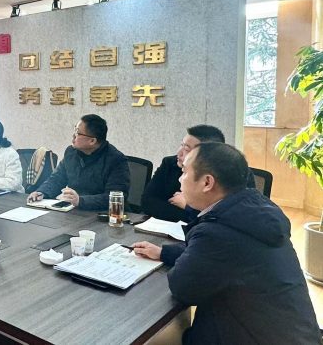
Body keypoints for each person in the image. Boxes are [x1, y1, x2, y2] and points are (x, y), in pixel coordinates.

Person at [133, 143, 320, 344]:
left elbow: (182, 287)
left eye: (185, 172)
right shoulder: (253, 211)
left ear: (207, 182)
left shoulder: (217, 232)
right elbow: (221, 258)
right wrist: (164, 253)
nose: (180, 179)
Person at [141, 125, 256, 222]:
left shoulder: (236, 173)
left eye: (187, 149)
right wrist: (190, 214)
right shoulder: (170, 163)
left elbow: (228, 218)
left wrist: (187, 206)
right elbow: (148, 202)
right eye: (181, 145)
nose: (179, 153)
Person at [27, 114, 129, 210]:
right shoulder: (71, 152)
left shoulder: (116, 160)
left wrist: (80, 201)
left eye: (78, 133)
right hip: (74, 210)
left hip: (103, 214)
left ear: (92, 141)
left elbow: (115, 197)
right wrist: (42, 192)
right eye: (75, 130)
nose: (73, 136)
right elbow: (57, 179)